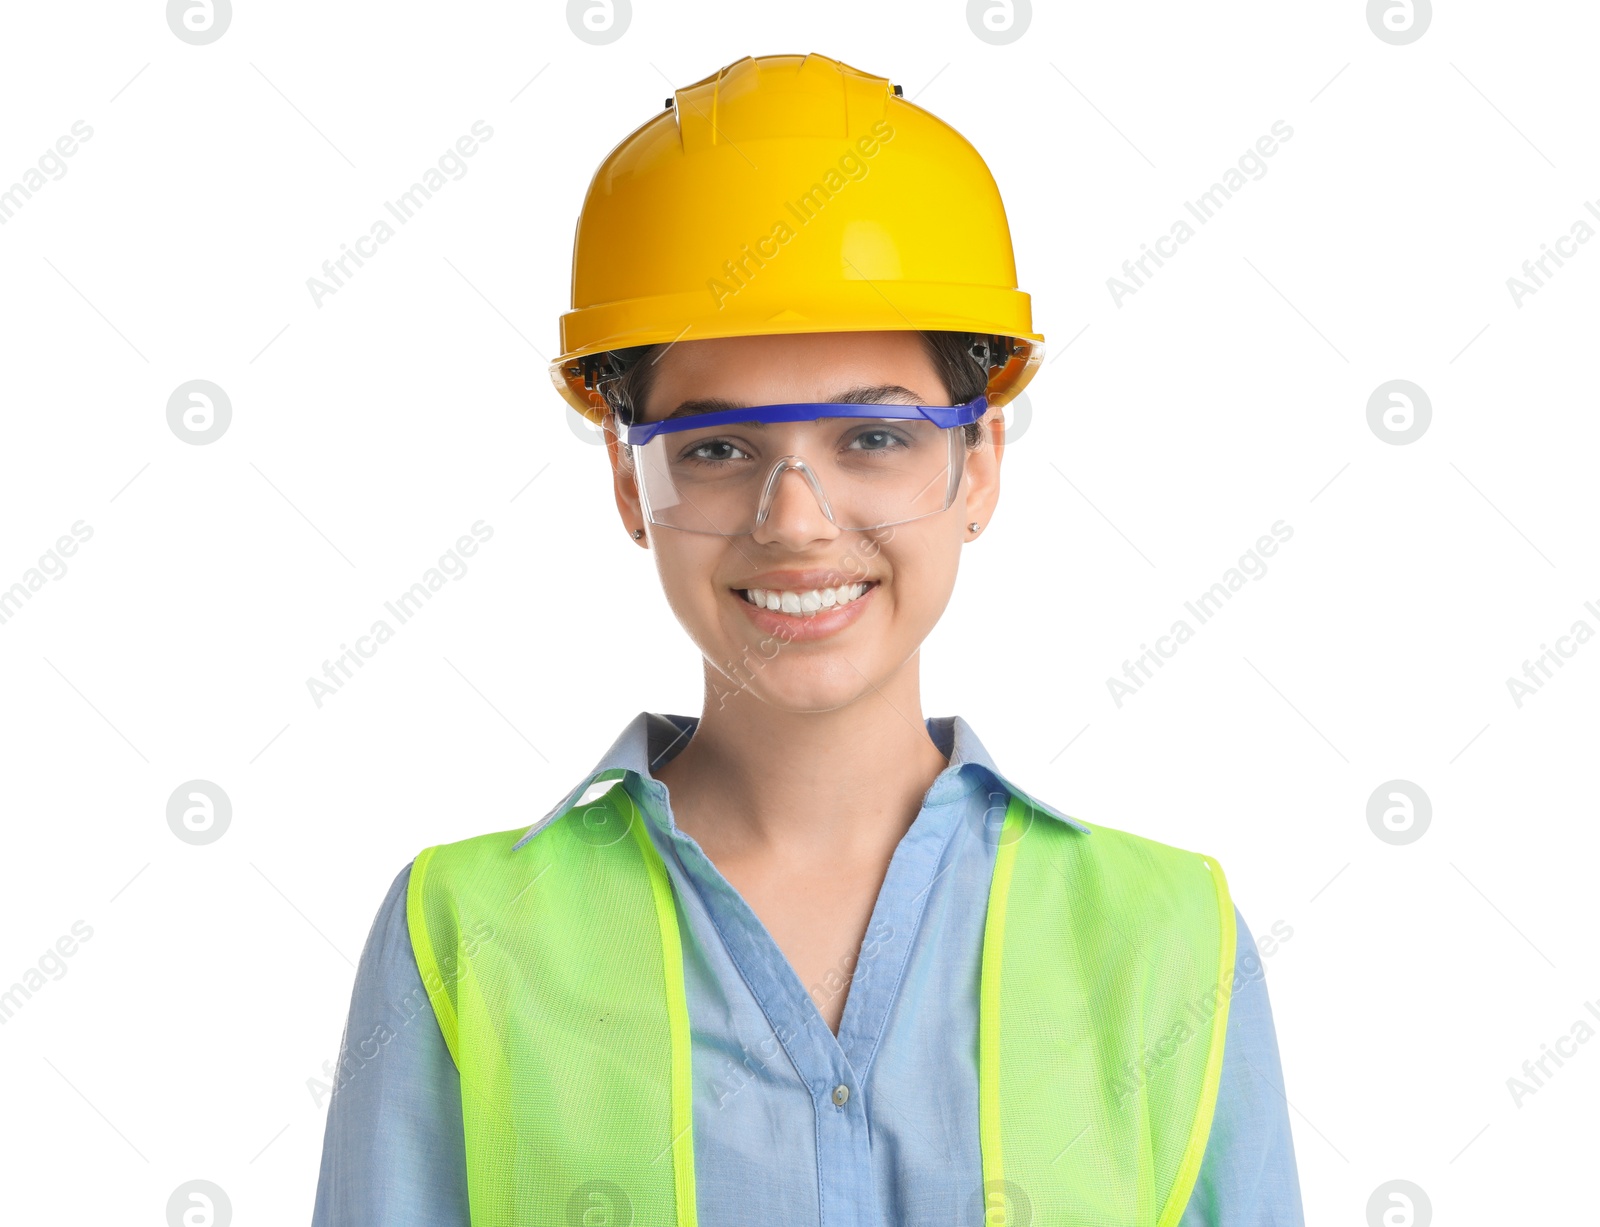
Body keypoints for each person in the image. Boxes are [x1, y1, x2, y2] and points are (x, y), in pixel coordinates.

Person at [311, 52, 1304, 1226]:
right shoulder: (462, 937)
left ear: (977, 463)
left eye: (872, 439)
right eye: (716, 449)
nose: (795, 521)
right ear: (632, 488)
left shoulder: (1165, 942)